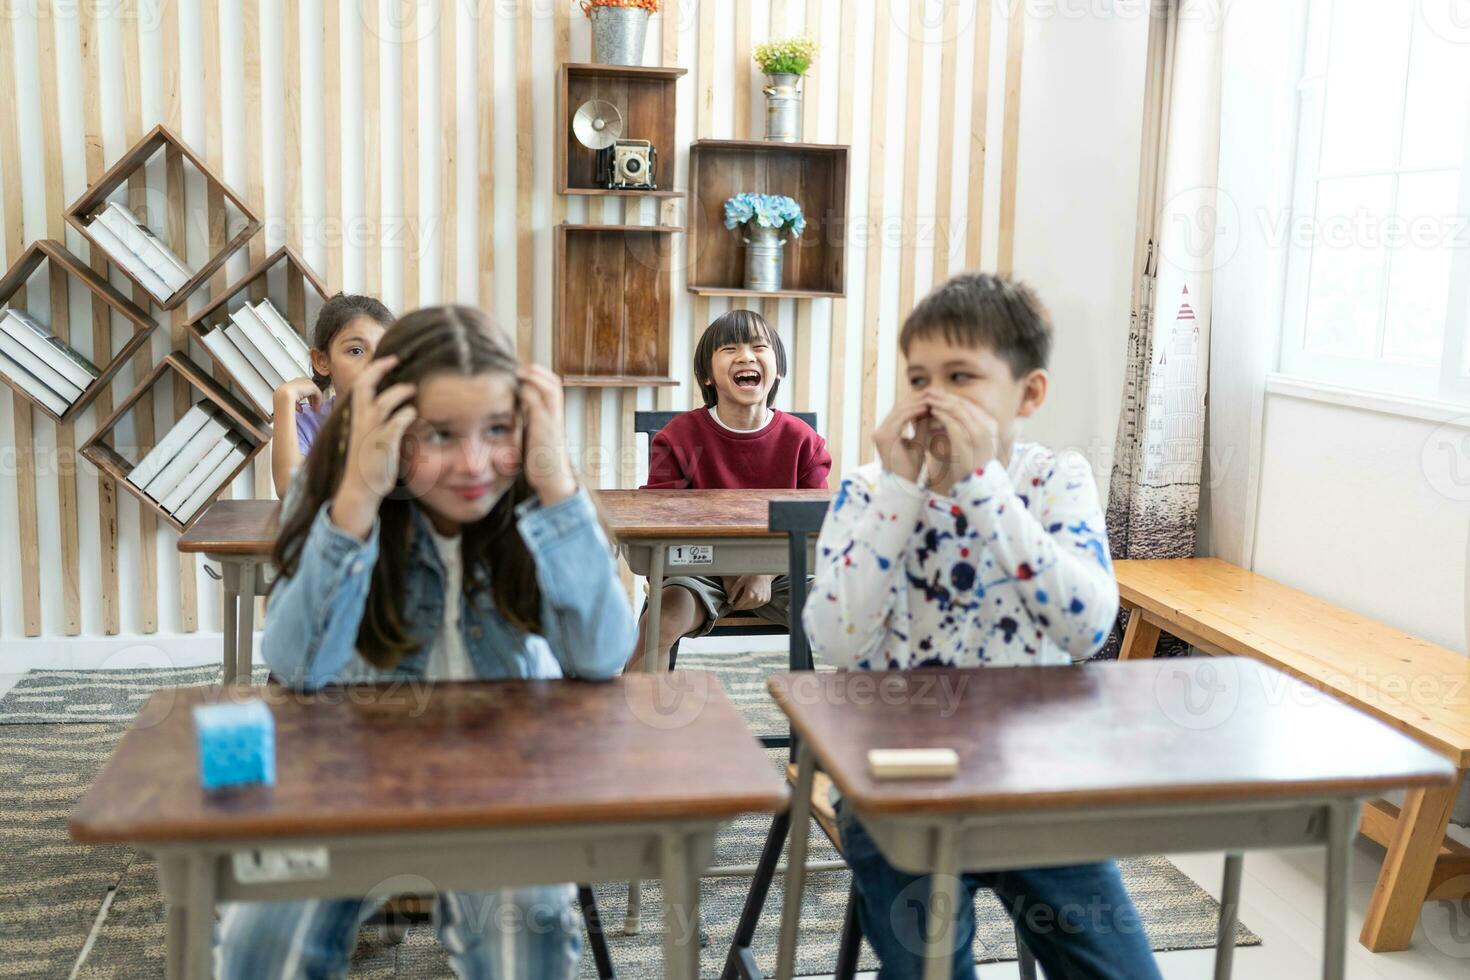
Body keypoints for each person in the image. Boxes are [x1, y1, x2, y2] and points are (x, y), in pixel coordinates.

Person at [217, 305, 634, 978]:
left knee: (525, 931)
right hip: (348, 775)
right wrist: (358, 494)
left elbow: (603, 653)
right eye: (439, 434)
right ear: (391, 427)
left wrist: (556, 483)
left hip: (503, 779)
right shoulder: (333, 494)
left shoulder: (537, 500)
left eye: (496, 430)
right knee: (263, 939)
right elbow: (298, 665)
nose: (472, 464)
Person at [804, 273, 1160, 979]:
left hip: (1040, 782)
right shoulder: (871, 491)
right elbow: (833, 640)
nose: (932, 398)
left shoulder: (1055, 480)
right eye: (917, 377)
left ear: (1027, 394)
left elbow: (1088, 629)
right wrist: (903, 491)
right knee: (927, 966)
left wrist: (984, 489)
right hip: (899, 788)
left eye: (960, 376)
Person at [628, 309, 831, 672]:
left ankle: (847, 726)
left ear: (778, 368)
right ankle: (636, 726)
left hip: (784, 573)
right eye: (729, 349)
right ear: (707, 374)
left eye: (758, 347)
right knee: (658, 623)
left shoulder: (804, 441)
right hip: (701, 570)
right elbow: (657, 522)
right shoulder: (677, 437)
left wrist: (763, 570)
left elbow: (817, 532)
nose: (746, 356)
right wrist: (727, 567)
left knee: (852, 615)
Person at [270, 292, 392, 496]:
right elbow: (289, 489)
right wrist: (283, 398)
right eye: (356, 351)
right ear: (322, 361)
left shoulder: (408, 417)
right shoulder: (306, 422)